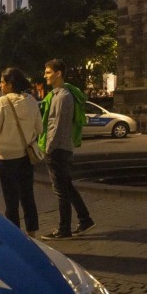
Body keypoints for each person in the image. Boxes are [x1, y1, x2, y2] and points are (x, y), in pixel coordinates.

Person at [0, 67, 42, 237]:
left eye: (2, 82)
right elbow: (39, 128)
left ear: (10, 83)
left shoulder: (3, 102)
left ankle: (16, 237)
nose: (0, 85)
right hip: (26, 156)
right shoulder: (31, 100)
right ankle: (32, 235)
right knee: (28, 197)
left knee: (11, 200)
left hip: (6, 158)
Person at [39, 59, 95, 240]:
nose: (45, 75)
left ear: (58, 73)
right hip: (62, 148)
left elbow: (57, 125)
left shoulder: (63, 96)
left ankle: (64, 229)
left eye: (48, 72)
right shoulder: (57, 94)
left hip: (58, 149)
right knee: (67, 186)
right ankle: (85, 219)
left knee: (60, 191)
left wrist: (48, 148)